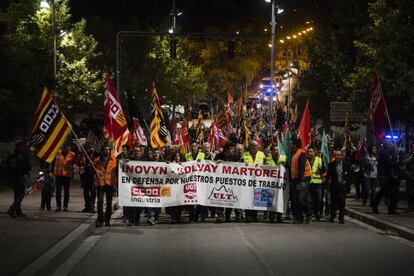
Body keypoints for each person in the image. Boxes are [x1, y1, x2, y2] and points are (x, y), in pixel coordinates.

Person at [372, 142, 401, 215]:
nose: (393, 146)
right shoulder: (384, 153)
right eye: (391, 145)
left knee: (394, 193)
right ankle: (374, 204)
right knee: (383, 191)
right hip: (384, 176)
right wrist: (398, 162)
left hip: (392, 177)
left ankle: (392, 209)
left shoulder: (393, 153)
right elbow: (390, 163)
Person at [215, 142, 240, 222]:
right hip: (220, 181)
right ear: (227, 149)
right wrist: (216, 163)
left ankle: (228, 216)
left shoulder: (235, 157)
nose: (233, 150)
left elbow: (240, 168)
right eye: (232, 149)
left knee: (230, 198)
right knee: (220, 198)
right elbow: (211, 166)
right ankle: (220, 215)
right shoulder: (219, 156)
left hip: (231, 182)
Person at [94, 143, 117, 227]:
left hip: (110, 184)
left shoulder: (114, 160)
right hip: (100, 184)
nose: (107, 151)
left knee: (109, 203)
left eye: (108, 149)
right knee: (100, 202)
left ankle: (107, 220)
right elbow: (92, 170)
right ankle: (100, 219)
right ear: (102, 150)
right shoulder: (96, 160)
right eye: (105, 149)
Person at [290, 138, 312, 224]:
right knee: (295, 200)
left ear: (295, 144)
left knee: (300, 198)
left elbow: (302, 169)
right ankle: (299, 218)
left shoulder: (301, 153)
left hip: (303, 179)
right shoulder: (294, 153)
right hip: (295, 179)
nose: (291, 145)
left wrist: (299, 182)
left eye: (292, 143)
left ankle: (309, 213)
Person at [6, 141, 31, 218]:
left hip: (11, 177)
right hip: (19, 177)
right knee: (21, 194)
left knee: (17, 195)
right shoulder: (22, 156)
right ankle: (12, 209)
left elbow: (7, 166)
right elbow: (27, 167)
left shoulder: (12, 155)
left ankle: (18, 211)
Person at [242, 140, 265, 222]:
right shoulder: (245, 155)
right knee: (248, 199)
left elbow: (268, 165)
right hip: (247, 181)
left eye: (255, 145)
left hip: (258, 181)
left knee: (256, 198)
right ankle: (248, 216)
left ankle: (254, 216)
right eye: (251, 145)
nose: (253, 147)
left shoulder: (262, 155)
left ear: (258, 146)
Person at [326, 150, 350, 224]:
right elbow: (328, 176)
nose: (336, 157)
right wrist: (326, 186)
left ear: (341, 156)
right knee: (333, 202)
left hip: (342, 186)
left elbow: (350, 175)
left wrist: (346, 181)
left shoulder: (346, 165)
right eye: (335, 155)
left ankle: (341, 218)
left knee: (342, 202)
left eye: (338, 155)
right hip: (334, 186)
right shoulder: (331, 164)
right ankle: (332, 216)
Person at [185, 142, 207, 222]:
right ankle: (192, 216)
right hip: (190, 180)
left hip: (200, 180)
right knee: (191, 199)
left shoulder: (202, 155)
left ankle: (202, 216)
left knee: (200, 199)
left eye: (195, 146)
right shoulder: (187, 155)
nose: (193, 147)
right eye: (192, 146)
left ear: (197, 147)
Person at [52, 142, 75, 212]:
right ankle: (58, 206)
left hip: (67, 175)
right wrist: (51, 171)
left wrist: (72, 174)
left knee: (66, 191)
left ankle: (65, 206)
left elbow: (74, 164)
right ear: (64, 147)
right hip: (58, 175)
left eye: (69, 147)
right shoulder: (57, 153)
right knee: (58, 191)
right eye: (67, 147)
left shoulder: (72, 154)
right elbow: (53, 163)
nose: (68, 149)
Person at [266, 145, 286, 223]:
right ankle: (271, 217)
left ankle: (279, 217)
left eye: (278, 150)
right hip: (271, 183)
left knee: (280, 199)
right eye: (275, 150)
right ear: (272, 151)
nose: (276, 151)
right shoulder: (268, 159)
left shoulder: (284, 159)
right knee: (271, 199)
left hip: (281, 183)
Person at [78, 144, 96, 213]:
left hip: (92, 176)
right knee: (85, 192)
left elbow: (94, 164)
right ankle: (87, 206)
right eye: (85, 148)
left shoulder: (93, 156)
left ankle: (91, 206)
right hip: (84, 176)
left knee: (93, 192)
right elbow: (79, 163)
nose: (86, 150)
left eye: (88, 148)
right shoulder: (82, 156)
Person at [308, 147, 325, 221]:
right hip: (309, 182)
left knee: (318, 199)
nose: (309, 153)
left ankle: (316, 212)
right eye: (308, 152)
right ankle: (311, 214)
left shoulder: (319, 160)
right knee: (310, 200)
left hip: (318, 183)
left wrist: (321, 168)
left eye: (311, 151)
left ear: (314, 152)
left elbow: (324, 170)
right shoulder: (306, 160)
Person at [403, 142, 414, 210]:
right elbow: (403, 166)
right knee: (410, 191)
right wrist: (408, 174)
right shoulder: (408, 156)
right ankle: (410, 205)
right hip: (410, 176)